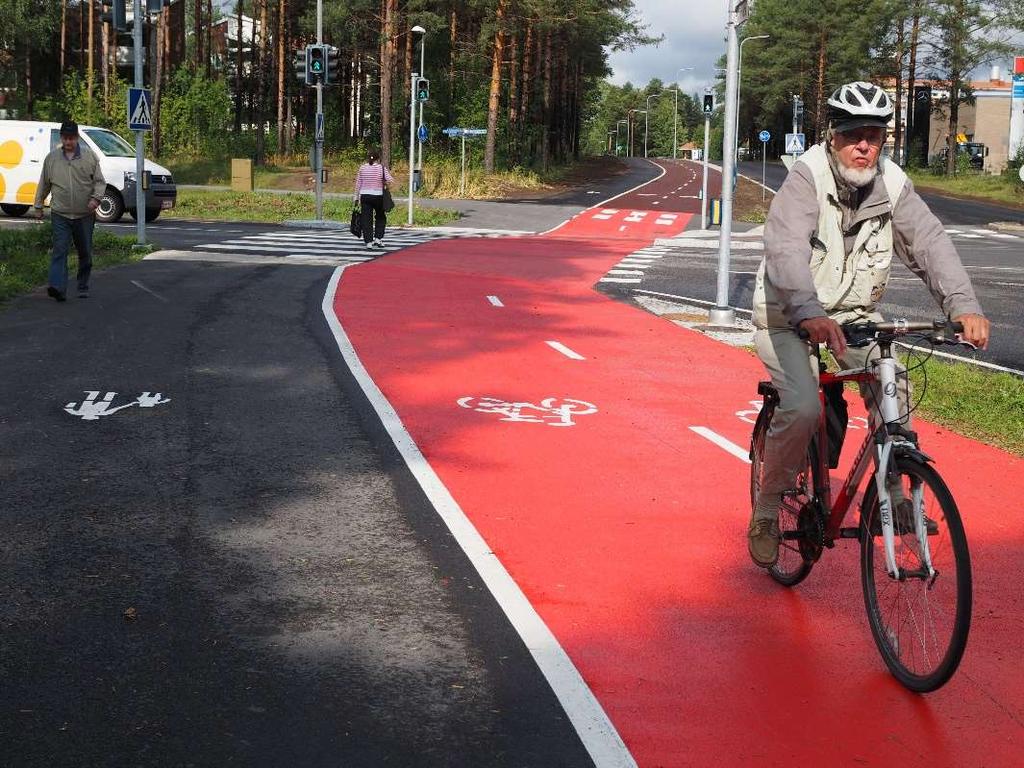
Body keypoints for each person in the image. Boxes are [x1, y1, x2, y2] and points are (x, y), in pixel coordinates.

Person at [747, 81, 991, 568]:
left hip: (854, 317)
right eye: (853, 133)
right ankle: (769, 509)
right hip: (786, 316)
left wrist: (963, 305)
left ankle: (896, 493)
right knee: (801, 407)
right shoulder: (806, 177)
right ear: (832, 135)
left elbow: (929, 244)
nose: (864, 145)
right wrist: (807, 311)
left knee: (892, 381)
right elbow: (786, 251)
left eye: (875, 136)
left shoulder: (893, 184)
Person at [33, 121, 106, 301]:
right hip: (60, 214)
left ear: (77, 138)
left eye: (71, 138)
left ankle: (82, 285)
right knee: (60, 250)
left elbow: (99, 182)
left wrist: (95, 199)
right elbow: (44, 183)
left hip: (84, 215)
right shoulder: (52, 158)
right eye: (65, 138)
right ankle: (58, 287)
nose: (68, 142)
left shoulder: (90, 157)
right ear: (61, 138)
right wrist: (38, 205)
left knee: (85, 253)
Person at [352, 148, 395, 249]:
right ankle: (378, 238)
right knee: (380, 217)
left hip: (365, 196)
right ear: (378, 158)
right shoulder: (381, 168)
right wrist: (383, 182)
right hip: (378, 196)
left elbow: (358, 183)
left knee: (366, 219)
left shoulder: (362, 168)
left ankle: (368, 242)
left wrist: (356, 197)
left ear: (368, 158)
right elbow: (390, 180)